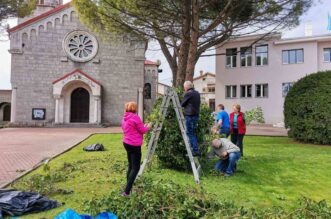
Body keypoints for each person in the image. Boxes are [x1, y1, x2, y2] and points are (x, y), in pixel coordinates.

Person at [121, 102, 151, 196]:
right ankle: (126, 192)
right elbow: (143, 130)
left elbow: (135, 128)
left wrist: (143, 126)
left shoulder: (125, 118)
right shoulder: (135, 117)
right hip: (134, 145)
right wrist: (148, 126)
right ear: (135, 108)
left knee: (130, 166)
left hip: (126, 143)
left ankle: (127, 186)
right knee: (136, 167)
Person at [181, 81, 201, 156]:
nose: (184, 88)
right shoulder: (197, 93)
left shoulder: (188, 93)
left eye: (184, 87)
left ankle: (195, 150)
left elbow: (182, 104)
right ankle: (195, 149)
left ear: (186, 87)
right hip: (196, 115)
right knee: (192, 132)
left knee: (190, 133)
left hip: (190, 115)